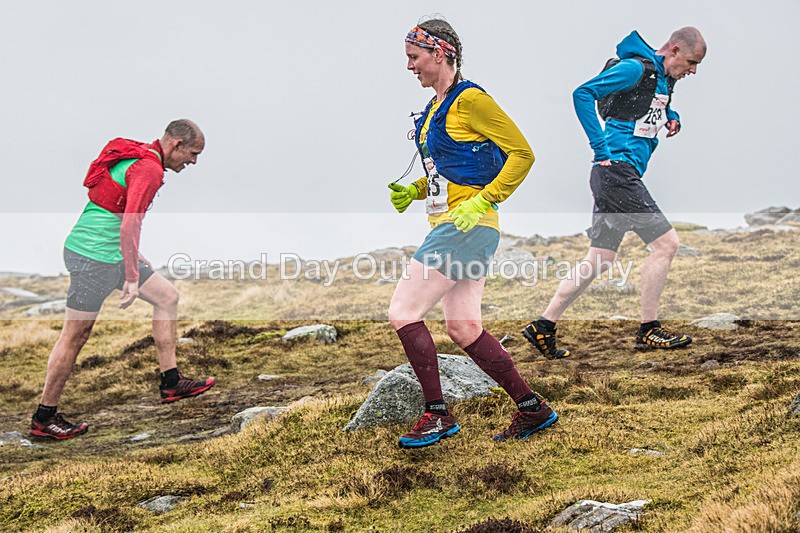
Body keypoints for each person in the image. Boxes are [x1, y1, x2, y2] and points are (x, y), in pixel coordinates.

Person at [387, 18, 558, 449]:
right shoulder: (435, 108)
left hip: (465, 226)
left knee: (403, 312)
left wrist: (484, 201)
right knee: (463, 327)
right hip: (464, 227)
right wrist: (416, 190)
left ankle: (437, 414)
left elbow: (523, 154)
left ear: (440, 53)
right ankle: (532, 407)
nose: (409, 66)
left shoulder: (472, 101)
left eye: (414, 57)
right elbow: (453, 170)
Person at [522, 28, 707, 359]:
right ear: (675, 50)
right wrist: (599, 147)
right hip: (616, 171)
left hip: (614, 175)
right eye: (692, 62)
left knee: (600, 260)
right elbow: (583, 93)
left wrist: (672, 117)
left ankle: (543, 326)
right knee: (666, 245)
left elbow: (652, 107)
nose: (693, 71)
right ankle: (649, 329)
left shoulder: (664, 78)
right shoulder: (635, 68)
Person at [30, 119, 215, 440]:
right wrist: (131, 276)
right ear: (176, 145)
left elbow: (117, 212)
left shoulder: (141, 157)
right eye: (193, 153)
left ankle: (171, 382)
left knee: (167, 297)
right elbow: (131, 223)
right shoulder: (149, 168)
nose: (194, 161)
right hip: (91, 257)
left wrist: (133, 256)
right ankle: (44, 418)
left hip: (110, 254)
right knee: (75, 336)